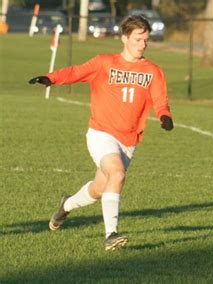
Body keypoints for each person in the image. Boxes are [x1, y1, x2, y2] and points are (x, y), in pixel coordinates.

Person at [28, 15, 173, 251]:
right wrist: (51, 78)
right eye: (138, 39)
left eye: (146, 40)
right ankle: (110, 235)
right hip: (101, 133)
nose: (143, 44)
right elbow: (76, 72)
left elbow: (160, 99)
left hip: (128, 140)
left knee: (100, 188)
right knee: (117, 173)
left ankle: (66, 206)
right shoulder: (104, 62)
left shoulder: (153, 71)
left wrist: (165, 116)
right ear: (125, 38)